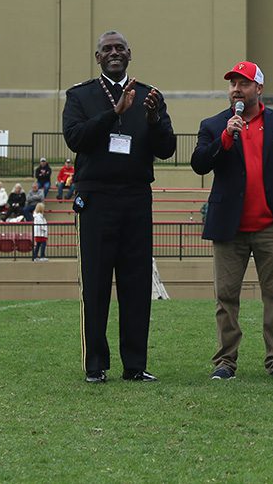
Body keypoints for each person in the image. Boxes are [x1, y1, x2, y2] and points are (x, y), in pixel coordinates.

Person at [62, 30, 176, 383]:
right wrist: (114, 114)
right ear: (98, 57)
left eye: (120, 48)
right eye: (107, 49)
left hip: (136, 198)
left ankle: (135, 365)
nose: (114, 53)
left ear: (130, 54)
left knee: (136, 283)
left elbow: (167, 148)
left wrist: (154, 121)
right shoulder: (81, 96)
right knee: (95, 283)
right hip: (96, 198)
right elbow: (75, 138)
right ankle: (95, 365)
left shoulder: (149, 96)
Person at [191, 61, 273, 381]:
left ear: (258, 89)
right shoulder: (215, 124)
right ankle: (225, 361)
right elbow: (199, 163)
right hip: (230, 228)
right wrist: (226, 138)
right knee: (226, 297)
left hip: (272, 226)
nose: (236, 90)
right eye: (232, 84)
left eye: (243, 84)